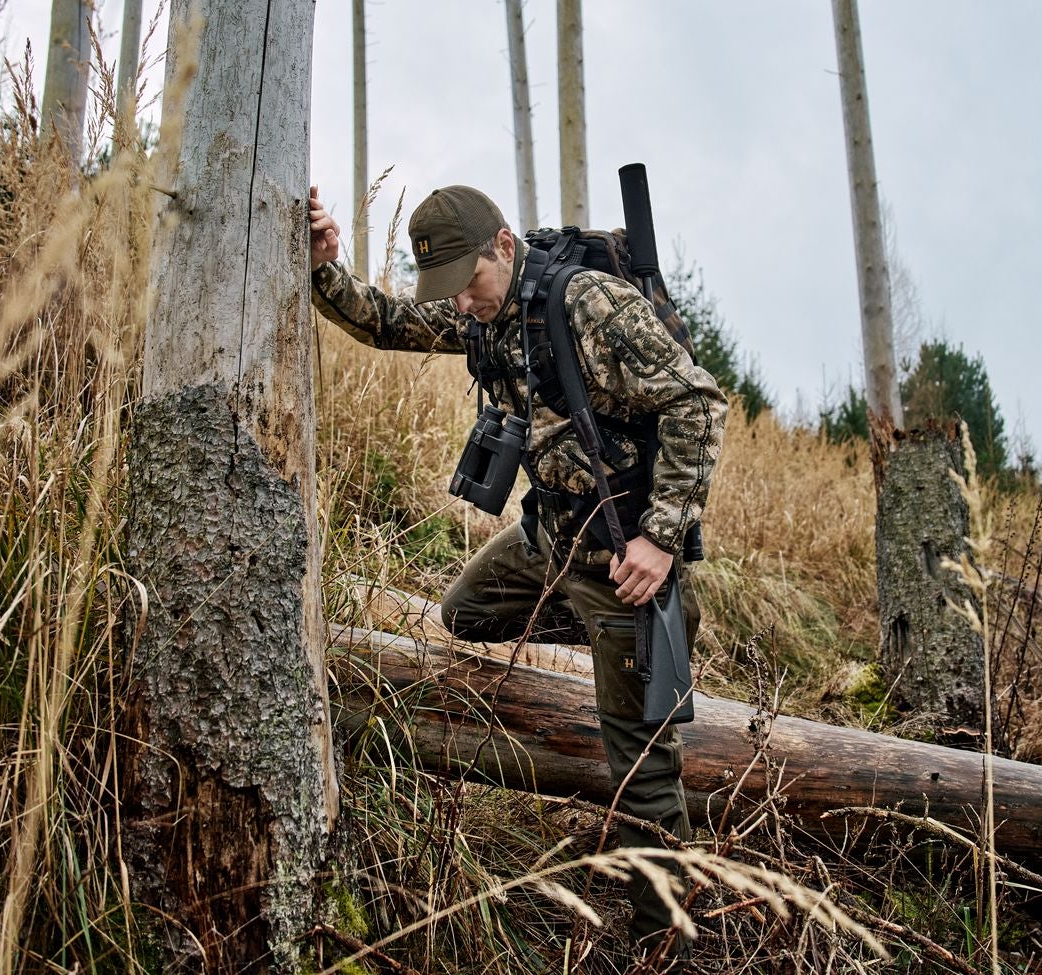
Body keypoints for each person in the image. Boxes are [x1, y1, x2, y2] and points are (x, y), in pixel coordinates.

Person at [308, 182, 727, 958]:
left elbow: (699, 402)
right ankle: (609, 658)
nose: (462, 304)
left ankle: (663, 939)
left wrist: (661, 539)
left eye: (470, 283)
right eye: (451, 291)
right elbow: (391, 321)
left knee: (642, 763)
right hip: (548, 539)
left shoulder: (587, 304)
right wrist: (325, 267)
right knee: (465, 613)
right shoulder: (482, 307)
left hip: (619, 559)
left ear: (504, 245)